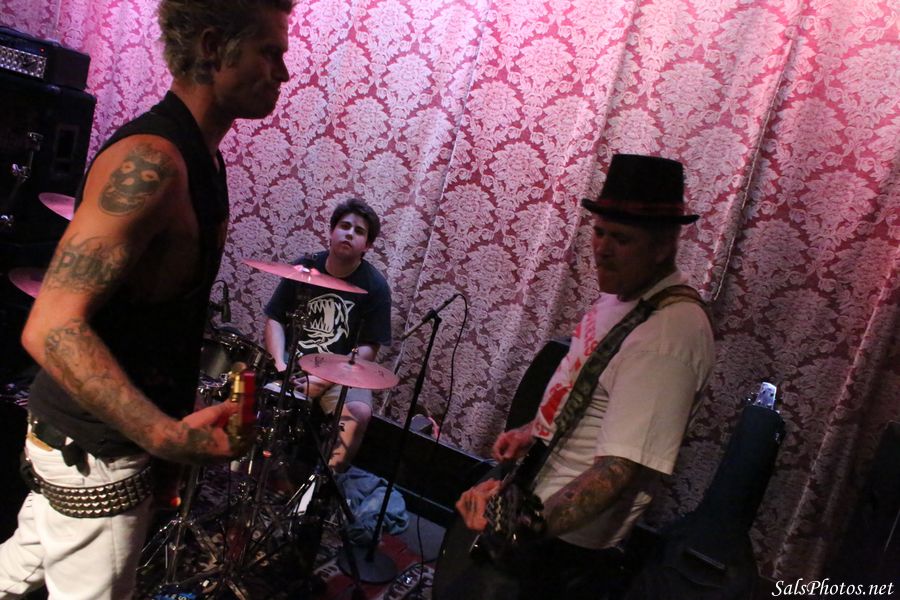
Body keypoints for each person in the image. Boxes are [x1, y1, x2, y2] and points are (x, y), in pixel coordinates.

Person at [0, 1, 293, 598]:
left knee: (16, 571)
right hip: (97, 449)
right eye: (270, 52)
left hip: (94, 437)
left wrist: (167, 440)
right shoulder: (151, 162)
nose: (282, 73)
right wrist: (165, 437)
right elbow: (50, 326)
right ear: (212, 47)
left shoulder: (203, 157)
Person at [453, 154, 716, 599]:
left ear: (663, 246)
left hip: (566, 548)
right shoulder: (625, 295)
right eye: (599, 231)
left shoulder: (667, 336)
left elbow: (618, 469)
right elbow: (588, 393)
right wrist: (534, 430)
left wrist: (516, 524)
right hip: (537, 512)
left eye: (622, 238)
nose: (602, 248)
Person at [263, 198, 392, 472]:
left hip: (341, 372)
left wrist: (325, 379)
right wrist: (280, 364)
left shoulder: (376, 286)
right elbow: (274, 318)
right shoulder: (305, 267)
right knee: (254, 384)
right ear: (332, 231)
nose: (349, 233)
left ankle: (323, 482)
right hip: (292, 361)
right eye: (344, 226)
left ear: (367, 245)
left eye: (359, 231)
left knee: (358, 414)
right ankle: (255, 467)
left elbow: (369, 348)